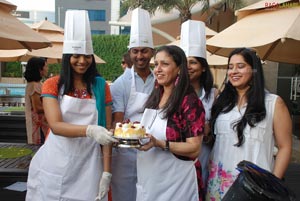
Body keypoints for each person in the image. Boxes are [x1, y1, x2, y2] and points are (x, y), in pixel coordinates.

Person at [26, 10, 117, 201]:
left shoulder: (101, 86)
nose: (82, 61)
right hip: (56, 161)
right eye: (76, 55)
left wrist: (107, 173)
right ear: (67, 57)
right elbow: (56, 126)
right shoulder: (53, 85)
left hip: (90, 164)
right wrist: (91, 130)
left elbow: (107, 133)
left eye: (87, 55)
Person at [206, 48, 292, 200]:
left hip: (255, 188)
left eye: (240, 66)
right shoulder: (222, 103)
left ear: (254, 70)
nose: (233, 71)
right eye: (230, 67)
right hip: (219, 183)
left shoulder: (273, 103)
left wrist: (273, 184)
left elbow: (285, 147)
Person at [137, 45, 206, 201]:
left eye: (165, 64)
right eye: (156, 64)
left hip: (178, 182)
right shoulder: (156, 96)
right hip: (151, 180)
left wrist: (159, 143)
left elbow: (194, 148)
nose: (157, 69)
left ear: (180, 69)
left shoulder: (189, 102)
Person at [110, 8, 155, 201]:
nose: (140, 56)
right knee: (124, 194)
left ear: (152, 52)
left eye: (144, 51)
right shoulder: (121, 83)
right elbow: (118, 119)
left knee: (148, 193)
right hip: (125, 151)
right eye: (135, 51)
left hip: (153, 146)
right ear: (130, 53)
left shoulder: (159, 80)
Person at [180, 20, 219, 194]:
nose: (188, 67)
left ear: (203, 67)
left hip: (204, 155)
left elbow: (218, 128)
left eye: (193, 62)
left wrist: (209, 129)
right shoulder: (174, 94)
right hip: (178, 156)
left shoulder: (213, 95)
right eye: (185, 62)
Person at [24, 57, 49, 145]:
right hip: (39, 126)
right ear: (40, 69)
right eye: (46, 66)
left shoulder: (37, 84)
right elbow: (37, 108)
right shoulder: (34, 85)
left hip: (41, 123)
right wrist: (53, 108)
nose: (47, 68)